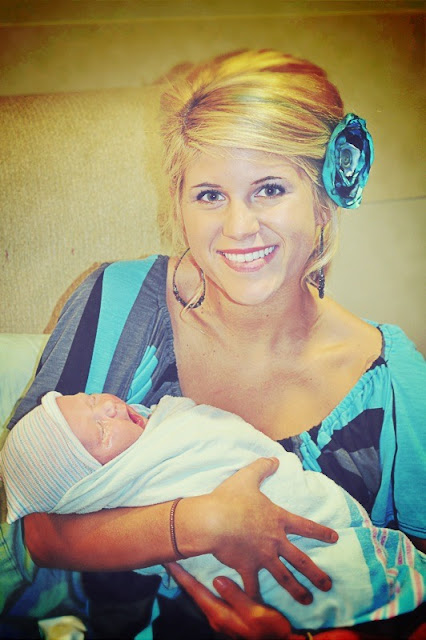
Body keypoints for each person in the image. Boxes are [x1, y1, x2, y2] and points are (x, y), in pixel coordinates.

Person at [6, 49, 426, 639]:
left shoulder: (395, 381)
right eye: (209, 195)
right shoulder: (114, 302)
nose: (237, 227)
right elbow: (28, 526)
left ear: (325, 197)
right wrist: (199, 523)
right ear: (178, 202)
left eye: (269, 188)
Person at [2, 391, 424, 631]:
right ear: (97, 486)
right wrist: (202, 521)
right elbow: (40, 536)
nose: (108, 408)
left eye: (93, 399)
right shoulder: (134, 484)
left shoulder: (391, 379)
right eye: (100, 431)